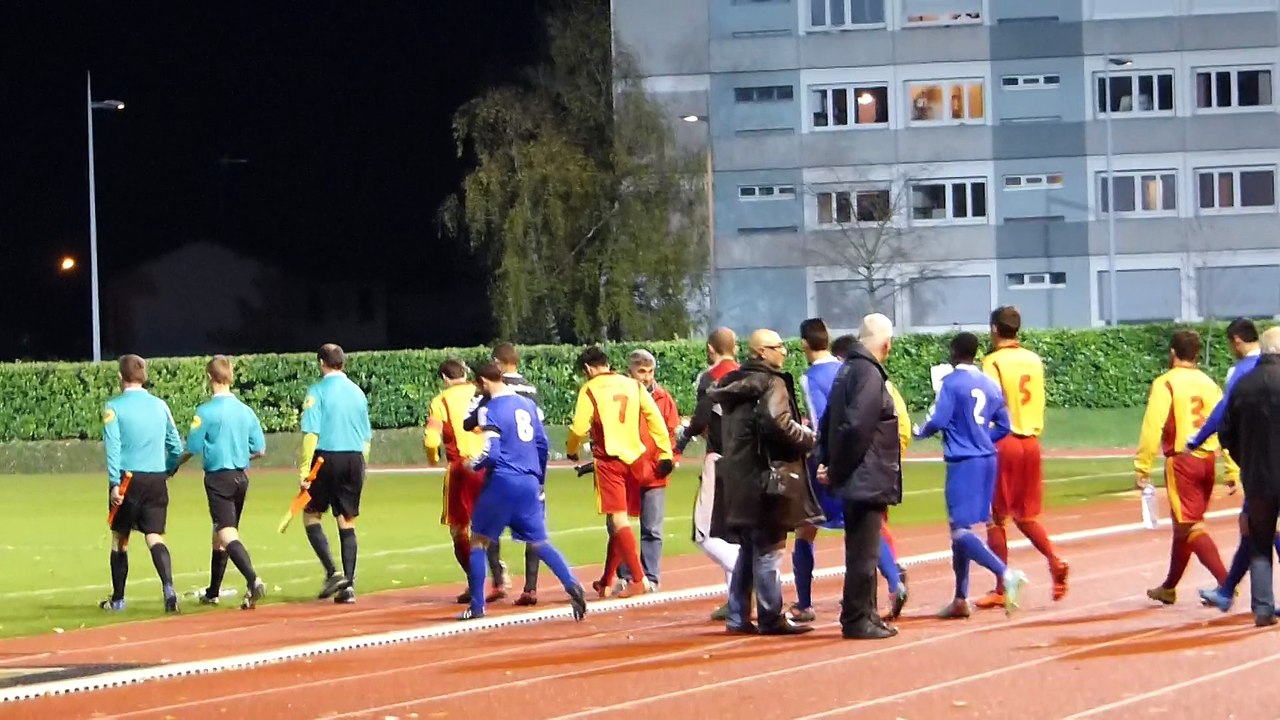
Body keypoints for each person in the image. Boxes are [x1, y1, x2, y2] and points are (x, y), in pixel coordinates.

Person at [710, 329, 821, 635]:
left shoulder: (730, 385)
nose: (784, 351)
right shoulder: (772, 382)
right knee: (770, 550)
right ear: (761, 352)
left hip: (739, 477)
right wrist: (808, 438)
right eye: (778, 346)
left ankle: (737, 615)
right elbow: (777, 422)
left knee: (749, 549)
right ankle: (771, 616)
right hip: (768, 477)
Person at [458, 362, 589, 622]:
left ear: (484, 381)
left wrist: (472, 465)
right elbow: (542, 444)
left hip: (503, 481)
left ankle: (476, 606)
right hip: (529, 482)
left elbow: (491, 453)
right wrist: (539, 479)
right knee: (540, 542)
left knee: (478, 541)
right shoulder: (528, 405)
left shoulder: (489, 408)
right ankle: (572, 585)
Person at [915, 332, 1029, 619]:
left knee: (960, 531)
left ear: (954, 352)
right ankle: (960, 597)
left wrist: (919, 432)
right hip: (987, 459)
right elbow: (1005, 424)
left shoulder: (950, 383)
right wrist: (982, 438)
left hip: (964, 461)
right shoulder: (989, 383)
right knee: (963, 530)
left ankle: (1006, 574)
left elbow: (938, 420)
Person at [976, 307, 1069, 610]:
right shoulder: (1033, 359)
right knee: (1026, 515)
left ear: (994, 329)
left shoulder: (992, 362)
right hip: (1031, 442)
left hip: (1004, 441)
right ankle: (1054, 559)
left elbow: (988, 403)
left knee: (996, 517)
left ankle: (1001, 586)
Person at [819, 315, 905, 639]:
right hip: (866, 476)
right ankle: (857, 618)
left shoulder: (848, 370)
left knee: (861, 551)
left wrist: (826, 461)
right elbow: (857, 427)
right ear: (886, 344)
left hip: (857, 476)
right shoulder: (868, 373)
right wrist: (839, 468)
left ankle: (865, 614)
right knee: (863, 554)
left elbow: (829, 421)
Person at [566, 346, 674, 598]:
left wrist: (572, 449)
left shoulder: (590, 389)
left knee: (617, 519)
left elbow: (580, 427)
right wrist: (666, 452)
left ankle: (638, 578)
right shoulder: (632, 385)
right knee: (621, 520)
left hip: (610, 461)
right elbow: (655, 418)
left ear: (588, 369)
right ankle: (606, 580)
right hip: (636, 458)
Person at [1135, 330, 1232, 606]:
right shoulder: (1209, 383)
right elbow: (1225, 422)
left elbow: (1153, 425)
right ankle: (1169, 587)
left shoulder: (1166, 383)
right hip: (1208, 460)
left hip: (1183, 460)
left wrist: (1142, 466)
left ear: (1173, 353)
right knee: (1183, 527)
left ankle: (1227, 583)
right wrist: (1232, 467)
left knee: (1190, 526)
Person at [1190, 318, 1272, 611]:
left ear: (1237, 340)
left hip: (1260, 465)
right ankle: (1227, 590)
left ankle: (1234, 594)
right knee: (1255, 528)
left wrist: (1197, 439)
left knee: (1259, 528)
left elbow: (1222, 415)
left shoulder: (1242, 373)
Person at [180, 356, 268, 610]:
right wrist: (239, 454)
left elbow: (193, 447)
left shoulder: (205, 411)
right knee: (220, 534)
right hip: (241, 476)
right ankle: (213, 591)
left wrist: (173, 466)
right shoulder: (245, 410)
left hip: (219, 477)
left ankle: (253, 580)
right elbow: (260, 449)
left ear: (209, 377)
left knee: (226, 532)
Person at [100, 354, 185, 614]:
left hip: (128, 479)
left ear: (120, 377)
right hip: (156, 477)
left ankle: (118, 599)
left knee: (120, 538)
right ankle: (169, 588)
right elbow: (175, 445)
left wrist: (115, 483)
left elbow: (113, 448)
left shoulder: (113, 407)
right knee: (154, 536)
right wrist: (168, 468)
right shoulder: (160, 406)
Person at [425, 359, 508, 605]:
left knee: (459, 528)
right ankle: (499, 576)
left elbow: (431, 440)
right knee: (487, 524)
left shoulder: (440, 401)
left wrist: (433, 458)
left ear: (444, 378)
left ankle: (476, 582)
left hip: (463, 467)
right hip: (491, 463)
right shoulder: (483, 392)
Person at [463, 342, 539, 605]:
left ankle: (496, 579)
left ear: (496, 362)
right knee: (535, 530)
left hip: (502, 468)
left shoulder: (491, 392)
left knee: (485, 528)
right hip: (529, 467)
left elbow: (468, 421)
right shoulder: (530, 388)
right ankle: (531, 587)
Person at [298, 343, 373, 605]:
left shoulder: (316, 392)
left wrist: (305, 470)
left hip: (326, 457)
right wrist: (362, 465)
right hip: (354, 458)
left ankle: (332, 572)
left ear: (321, 363)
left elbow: (311, 434)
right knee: (347, 519)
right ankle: (348, 586)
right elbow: (366, 436)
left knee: (311, 516)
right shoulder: (357, 392)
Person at [676, 327, 742, 621]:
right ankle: (735, 600)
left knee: (704, 530)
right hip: (746, 459)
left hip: (719, 458)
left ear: (709, 349)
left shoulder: (710, 377)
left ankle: (745, 578)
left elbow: (702, 417)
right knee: (733, 531)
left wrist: (683, 438)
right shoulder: (746, 373)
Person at [1218, 327, 1280, 627]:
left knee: (1259, 541)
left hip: (1256, 476)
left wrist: (1246, 461)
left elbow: (1226, 432)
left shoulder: (1243, 385)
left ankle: (1263, 607)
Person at [789, 318, 843, 624]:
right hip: (854, 458)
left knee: (805, 528)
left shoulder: (810, 378)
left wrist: (819, 455)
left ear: (804, 344)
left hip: (823, 459)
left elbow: (819, 420)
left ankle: (805, 603)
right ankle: (891, 579)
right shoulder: (845, 368)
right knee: (862, 526)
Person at [616, 349, 680, 591]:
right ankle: (626, 576)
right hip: (626, 470)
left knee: (652, 528)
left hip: (654, 471)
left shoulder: (664, 398)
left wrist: (670, 459)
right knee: (621, 525)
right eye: (641, 371)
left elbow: (673, 432)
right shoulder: (620, 396)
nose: (647, 377)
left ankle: (651, 577)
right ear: (630, 371)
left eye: (650, 371)